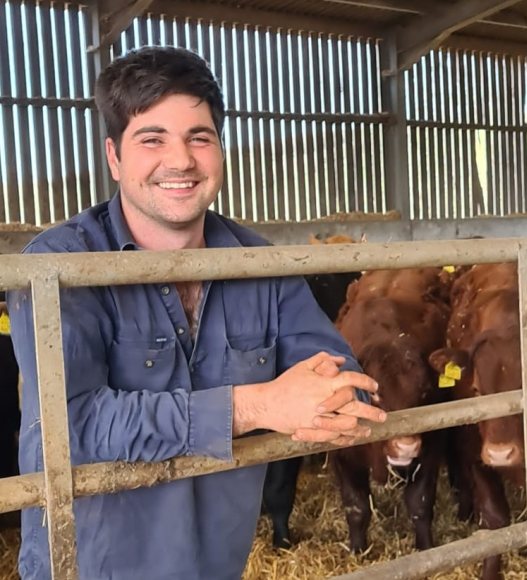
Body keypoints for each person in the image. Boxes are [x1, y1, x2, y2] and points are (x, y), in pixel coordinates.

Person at [8, 45, 386, 580]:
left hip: (217, 564)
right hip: (90, 567)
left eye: (199, 137)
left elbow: (340, 374)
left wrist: (340, 394)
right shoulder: (57, 267)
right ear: (115, 157)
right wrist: (254, 407)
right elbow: (71, 425)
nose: (181, 161)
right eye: (152, 139)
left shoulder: (261, 265)